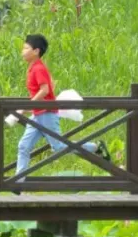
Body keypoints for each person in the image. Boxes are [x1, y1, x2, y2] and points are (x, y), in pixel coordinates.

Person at [14, 34, 110, 186]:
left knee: (58, 147)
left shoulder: (38, 68)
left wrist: (27, 106)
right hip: (38, 114)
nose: (22, 51)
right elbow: (48, 86)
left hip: (47, 114)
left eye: (26, 48)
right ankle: (18, 182)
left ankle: (95, 147)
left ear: (36, 51)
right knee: (23, 146)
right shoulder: (33, 68)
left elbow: (45, 90)